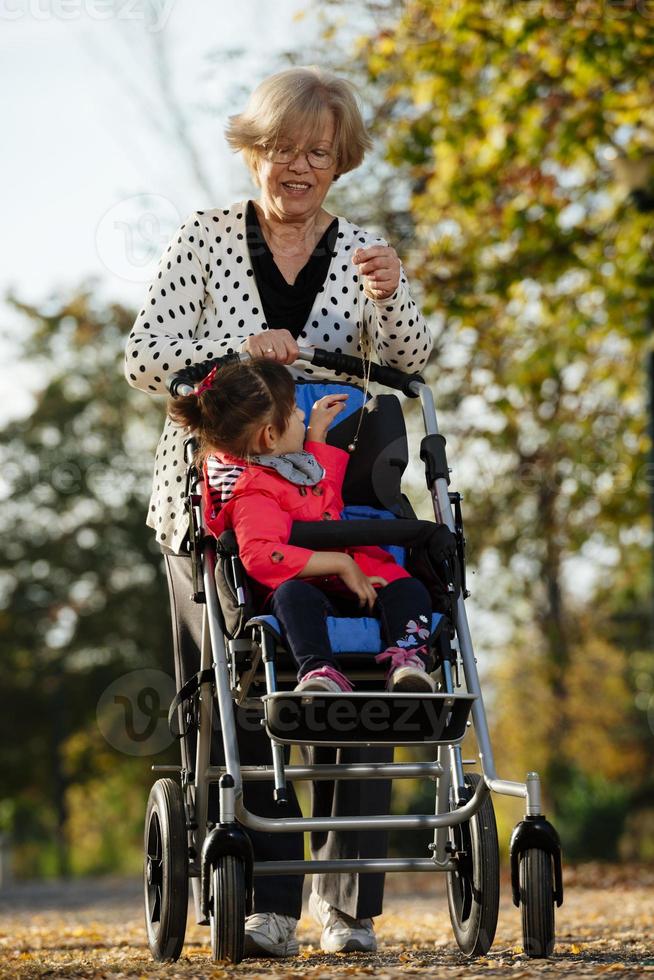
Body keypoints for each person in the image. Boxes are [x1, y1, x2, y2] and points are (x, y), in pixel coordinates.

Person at [125, 65, 433, 957]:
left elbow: (415, 359)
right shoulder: (206, 237)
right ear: (253, 150)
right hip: (216, 494)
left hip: (336, 492)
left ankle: (348, 909)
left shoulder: (364, 245)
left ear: (340, 162)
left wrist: (394, 291)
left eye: (317, 153)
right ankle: (262, 896)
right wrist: (236, 354)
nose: (297, 167)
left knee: (359, 676)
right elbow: (147, 358)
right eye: (282, 149)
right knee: (236, 690)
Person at [168, 357, 435, 695]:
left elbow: (323, 499)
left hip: (362, 582)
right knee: (293, 596)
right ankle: (319, 671)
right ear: (269, 436)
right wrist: (340, 562)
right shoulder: (253, 491)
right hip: (307, 587)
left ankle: (408, 661)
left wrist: (317, 435)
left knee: (409, 588)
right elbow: (260, 555)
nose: (301, 414)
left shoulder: (293, 465)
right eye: (295, 411)